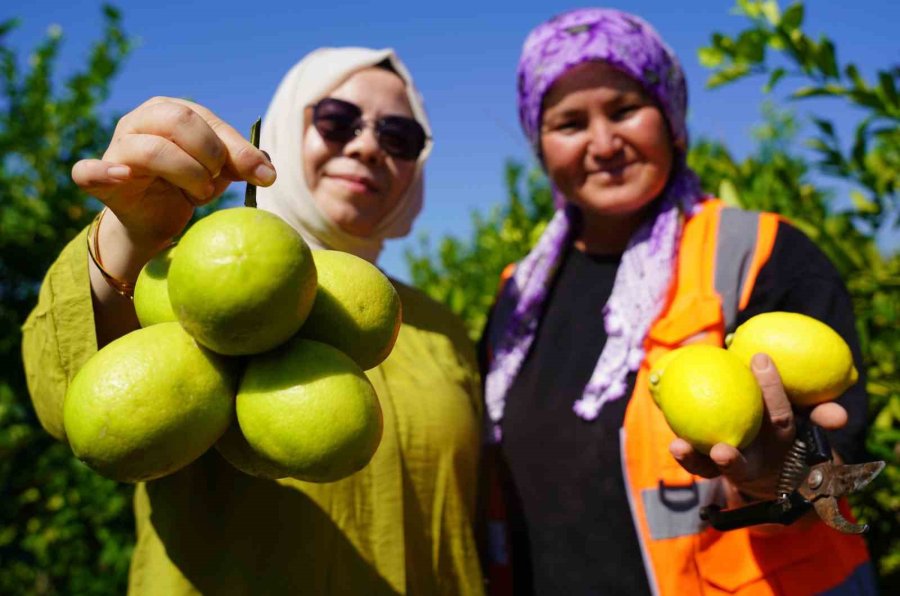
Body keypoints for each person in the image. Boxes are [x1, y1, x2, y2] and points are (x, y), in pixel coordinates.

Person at [22, 47, 484, 595]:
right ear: (287, 129)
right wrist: (128, 241)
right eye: (338, 121)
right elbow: (65, 399)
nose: (366, 146)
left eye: (399, 136)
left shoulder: (442, 327)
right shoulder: (180, 277)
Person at [480, 8, 876, 595]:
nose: (603, 143)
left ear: (671, 119)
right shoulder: (517, 298)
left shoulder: (758, 251)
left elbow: (837, 460)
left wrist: (782, 477)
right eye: (569, 122)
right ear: (539, 147)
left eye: (624, 110)